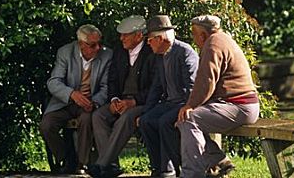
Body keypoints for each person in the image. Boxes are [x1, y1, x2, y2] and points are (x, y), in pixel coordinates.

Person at [176, 15, 260, 178]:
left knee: (188, 118)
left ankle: (192, 174)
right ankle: (218, 160)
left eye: (194, 33)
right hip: (241, 105)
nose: (193, 38)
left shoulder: (213, 44)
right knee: (185, 119)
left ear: (203, 34)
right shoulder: (222, 39)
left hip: (240, 106)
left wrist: (190, 105)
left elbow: (206, 82)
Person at [40, 24, 113, 174]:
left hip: (89, 103)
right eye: (93, 45)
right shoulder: (65, 52)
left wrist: (94, 102)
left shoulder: (107, 55)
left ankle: (81, 163)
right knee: (46, 125)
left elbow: (107, 87)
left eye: (99, 43)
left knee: (86, 120)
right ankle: (66, 158)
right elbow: (53, 82)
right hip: (65, 101)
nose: (98, 48)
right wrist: (72, 94)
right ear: (81, 44)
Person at [89, 15, 156, 178]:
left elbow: (155, 87)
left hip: (142, 103)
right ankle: (111, 166)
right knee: (98, 116)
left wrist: (134, 101)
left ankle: (102, 164)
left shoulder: (151, 52)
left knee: (126, 118)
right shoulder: (119, 50)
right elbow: (112, 79)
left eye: (125, 35)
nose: (121, 38)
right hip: (121, 100)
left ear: (139, 35)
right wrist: (113, 99)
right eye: (121, 34)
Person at [139, 15, 199, 178]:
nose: (148, 43)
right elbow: (156, 88)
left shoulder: (185, 52)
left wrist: (186, 107)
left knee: (165, 122)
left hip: (185, 102)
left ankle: (178, 169)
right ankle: (159, 168)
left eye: (150, 40)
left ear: (160, 38)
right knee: (146, 121)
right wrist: (146, 111)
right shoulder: (160, 56)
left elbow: (192, 87)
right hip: (169, 103)